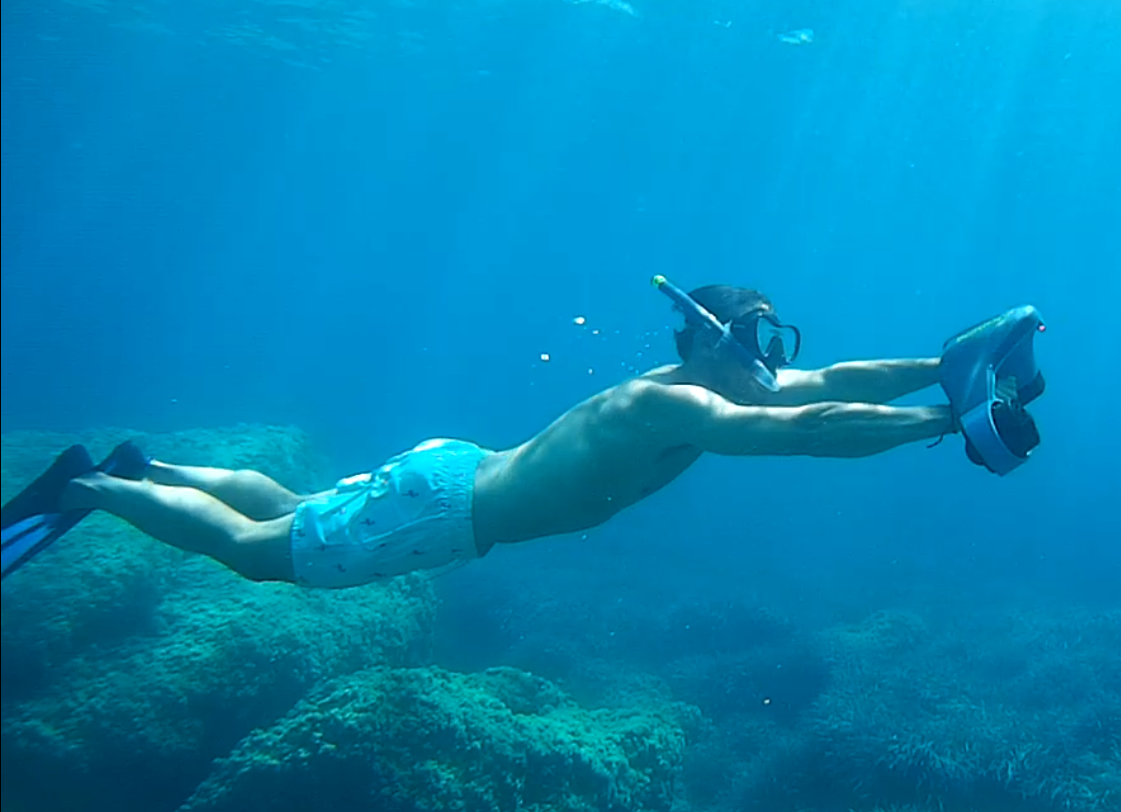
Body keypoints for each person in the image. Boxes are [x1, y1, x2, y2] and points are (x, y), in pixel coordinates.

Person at [1, 277, 1041, 586]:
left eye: (776, 336)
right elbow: (809, 429)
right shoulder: (676, 403)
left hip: (452, 478)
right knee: (254, 550)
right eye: (756, 337)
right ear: (706, 339)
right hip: (448, 510)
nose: (772, 355)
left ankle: (150, 464)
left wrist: (940, 365)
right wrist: (942, 422)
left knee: (298, 506)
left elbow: (833, 381)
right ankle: (88, 487)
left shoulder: (705, 380)